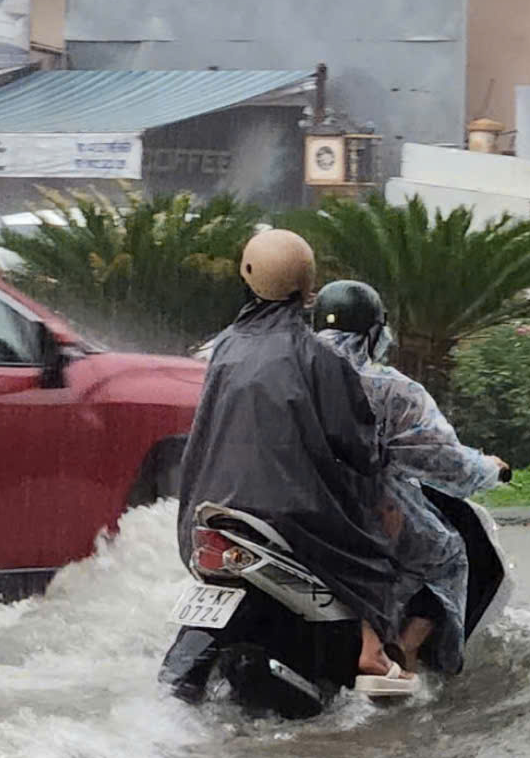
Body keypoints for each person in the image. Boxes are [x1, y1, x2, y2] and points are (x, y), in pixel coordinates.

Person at [174, 230, 415, 695]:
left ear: (246, 275)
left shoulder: (223, 349)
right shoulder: (320, 358)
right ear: (307, 288)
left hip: (209, 508)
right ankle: (372, 652)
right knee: (375, 551)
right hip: (292, 514)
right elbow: (359, 449)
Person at [312, 279, 507, 683]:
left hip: (293, 501)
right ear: (373, 333)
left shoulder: (289, 376)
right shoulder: (390, 389)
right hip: (367, 506)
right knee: (446, 553)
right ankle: (405, 646)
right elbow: (443, 459)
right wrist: (489, 468)